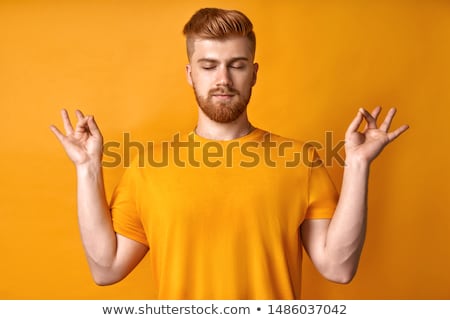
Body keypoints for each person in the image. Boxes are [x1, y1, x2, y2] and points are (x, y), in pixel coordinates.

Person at [50, 8, 409, 299]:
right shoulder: (147, 169)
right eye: (208, 66)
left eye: (236, 65)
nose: (223, 78)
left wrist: (359, 165)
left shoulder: (301, 161)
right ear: (190, 75)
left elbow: (338, 268)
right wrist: (87, 168)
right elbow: (106, 269)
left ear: (253, 73)